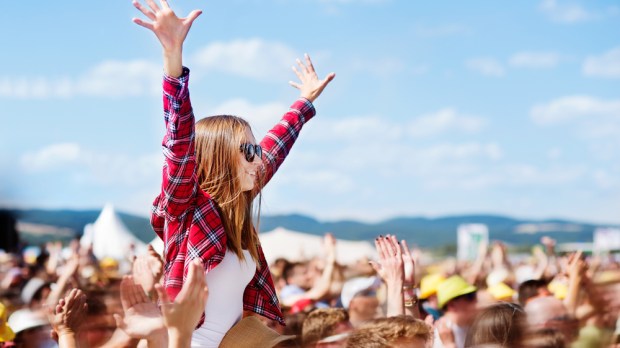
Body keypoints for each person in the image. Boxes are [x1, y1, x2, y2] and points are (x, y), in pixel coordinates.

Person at [131, 0, 335, 346]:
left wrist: (304, 103)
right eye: (250, 151)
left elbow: (274, 148)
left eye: (257, 151)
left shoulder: (236, 209)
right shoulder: (187, 208)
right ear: (219, 158)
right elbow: (179, 141)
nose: (260, 159)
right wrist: (173, 59)